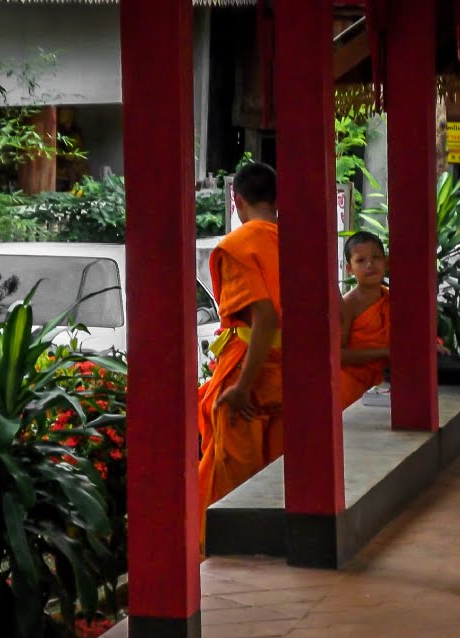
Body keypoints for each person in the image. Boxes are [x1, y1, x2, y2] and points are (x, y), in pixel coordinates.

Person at [198, 162, 282, 549]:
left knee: (234, 476)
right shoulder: (293, 241)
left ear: (237, 200)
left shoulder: (238, 245)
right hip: (289, 373)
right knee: (276, 467)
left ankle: (224, 554)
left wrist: (243, 385)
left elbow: (264, 315)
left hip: (251, 370)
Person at [339, 231, 449, 409]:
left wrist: (427, 346)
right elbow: (338, 355)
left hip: (387, 383)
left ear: (387, 262)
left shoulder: (393, 299)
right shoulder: (347, 305)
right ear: (349, 268)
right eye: (360, 260)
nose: (370, 265)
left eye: (376, 258)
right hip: (351, 387)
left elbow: (408, 335)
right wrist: (386, 352)